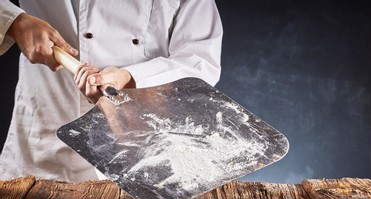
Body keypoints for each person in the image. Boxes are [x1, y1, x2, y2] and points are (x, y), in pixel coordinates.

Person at [0, 0, 223, 182]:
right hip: (46, 130)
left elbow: (200, 59)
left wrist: (131, 78)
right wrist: (14, 21)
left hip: (143, 144)